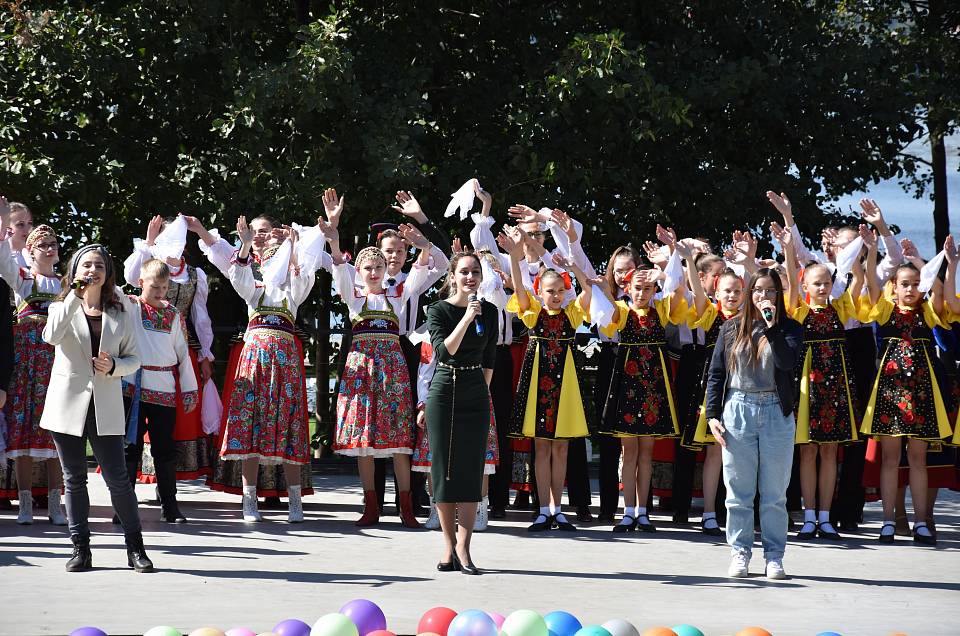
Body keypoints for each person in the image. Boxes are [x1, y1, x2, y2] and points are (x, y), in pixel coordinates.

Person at [39, 243, 153, 572]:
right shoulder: (61, 306)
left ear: (108, 274)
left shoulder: (122, 311)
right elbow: (51, 336)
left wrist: (114, 365)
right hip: (66, 404)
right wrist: (75, 294)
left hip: (105, 403)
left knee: (118, 479)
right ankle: (80, 550)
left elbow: (135, 358)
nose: (92, 270)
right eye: (86, 265)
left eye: (99, 266)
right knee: (74, 479)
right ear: (74, 271)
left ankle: (136, 549)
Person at [192, 214, 315, 515]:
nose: (274, 265)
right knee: (250, 422)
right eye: (269, 260)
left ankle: (295, 500)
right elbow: (239, 277)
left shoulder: (291, 294)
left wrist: (296, 249)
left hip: (285, 364)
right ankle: (249, 497)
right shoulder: (255, 289)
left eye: (279, 259)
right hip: (256, 361)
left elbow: (303, 280)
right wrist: (246, 246)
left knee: (290, 422)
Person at [321, 219, 433, 528]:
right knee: (364, 440)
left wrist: (422, 248)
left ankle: (406, 507)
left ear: (385, 271)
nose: (373, 272)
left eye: (378, 267)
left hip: (392, 371)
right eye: (367, 267)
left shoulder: (396, 296)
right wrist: (333, 240)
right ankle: (371, 505)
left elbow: (420, 275)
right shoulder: (354, 297)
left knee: (398, 441)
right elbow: (341, 274)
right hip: (363, 371)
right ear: (359, 271)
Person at [705, 264, 803, 580]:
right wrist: (712, 415)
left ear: (779, 294)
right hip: (738, 408)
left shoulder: (790, 328)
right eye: (759, 290)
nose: (764, 296)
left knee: (774, 493)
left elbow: (787, 363)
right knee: (738, 491)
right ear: (750, 294)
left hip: (776, 410)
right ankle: (740, 553)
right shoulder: (730, 328)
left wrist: (772, 327)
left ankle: (774, 556)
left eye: (770, 290)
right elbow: (717, 373)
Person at [860, 233, 956, 545]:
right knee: (890, 460)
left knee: (918, 459)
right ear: (895, 287)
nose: (911, 289)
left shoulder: (928, 312)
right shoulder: (886, 311)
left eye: (915, 284)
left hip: (922, 395)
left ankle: (921, 523)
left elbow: (938, 291)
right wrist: (873, 250)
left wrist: (919, 260)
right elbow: (873, 288)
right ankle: (888, 521)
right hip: (889, 395)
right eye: (905, 284)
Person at [499, 226, 593, 532]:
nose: (555, 295)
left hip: (564, 387)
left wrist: (571, 267)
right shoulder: (533, 313)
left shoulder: (572, 315)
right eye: (549, 291)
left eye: (559, 290)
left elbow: (588, 291)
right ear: (540, 291)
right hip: (539, 385)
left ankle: (558, 509)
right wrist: (515, 257)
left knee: (562, 448)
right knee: (541, 448)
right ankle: (543, 509)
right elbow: (518, 291)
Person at [598, 228, 689, 534]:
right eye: (637, 288)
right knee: (629, 451)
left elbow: (677, 291)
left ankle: (643, 511)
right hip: (627, 387)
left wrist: (669, 261)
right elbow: (606, 313)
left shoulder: (661, 310)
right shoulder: (622, 310)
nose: (641, 293)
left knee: (647, 451)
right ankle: (627, 511)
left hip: (651, 388)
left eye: (647, 288)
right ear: (627, 287)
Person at [123, 215, 216, 488]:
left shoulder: (196, 275)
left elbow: (201, 317)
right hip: (146, 345)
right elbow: (130, 275)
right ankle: (142, 477)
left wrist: (206, 353)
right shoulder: (151, 268)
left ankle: (173, 483)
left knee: (175, 416)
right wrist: (148, 243)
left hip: (179, 344)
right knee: (140, 415)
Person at [424, 251, 498, 573]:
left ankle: (466, 550)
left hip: (475, 391)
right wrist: (467, 317)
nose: (470, 277)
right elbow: (445, 350)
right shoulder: (437, 310)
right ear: (452, 276)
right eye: (464, 272)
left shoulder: (491, 312)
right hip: (444, 389)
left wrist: (481, 393)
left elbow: (490, 359)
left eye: (475, 272)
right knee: (443, 468)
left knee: (471, 469)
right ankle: (448, 546)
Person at [0, 203, 66, 526]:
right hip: (27, 364)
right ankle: (25, 502)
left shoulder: (67, 285)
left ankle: (56, 502)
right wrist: (2, 223)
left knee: (58, 431)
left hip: (55, 362)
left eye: (53, 244)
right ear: (30, 250)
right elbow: (3, 261)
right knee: (25, 429)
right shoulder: (23, 280)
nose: (50, 248)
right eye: (43, 244)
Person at [121, 259, 199, 523]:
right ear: (141, 283)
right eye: (154, 286)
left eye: (164, 287)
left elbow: (183, 354)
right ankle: (125, 506)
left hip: (164, 389)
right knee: (129, 448)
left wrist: (189, 389)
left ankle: (170, 505)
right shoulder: (130, 306)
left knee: (165, 450)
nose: (160, 292)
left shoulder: (174, 314)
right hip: (133, 387)